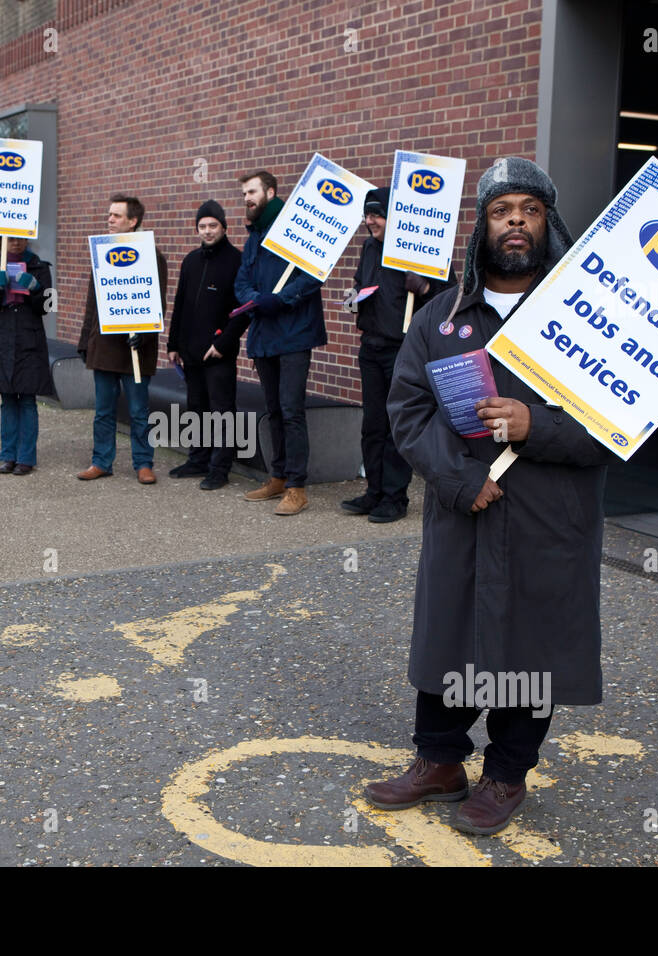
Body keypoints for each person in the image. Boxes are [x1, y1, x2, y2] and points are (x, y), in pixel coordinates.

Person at [367, 157, 610, 836]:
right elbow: (407, 410)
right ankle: (439, 762)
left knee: (530, 648)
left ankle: (506, 775)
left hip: (548, 517)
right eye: (503, 211)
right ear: (482, 227)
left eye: (529, 210)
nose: (516, 223)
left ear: (547, 223)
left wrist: (541, 427)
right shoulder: (442, 318)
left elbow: (618, 430)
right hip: (466, 510)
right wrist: (458, 478)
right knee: (447, 636)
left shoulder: (584, 319)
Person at [341, 187, 449, 523]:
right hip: (370, 345)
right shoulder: (369, 246)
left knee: (394, 424)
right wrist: (352, 295)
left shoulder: (419, 247)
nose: (370, 221)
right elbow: (362, 283)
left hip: (401, 348)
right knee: (372, 423)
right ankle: (374, 491)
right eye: (367, 215)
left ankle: (394, 497)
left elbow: (450, 296)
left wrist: (426, 288)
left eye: (377, 214)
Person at [234, 171, 325, 515]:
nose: (247, 198)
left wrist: (281, 299)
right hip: (264, 335)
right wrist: (254, 298)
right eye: (244, 193)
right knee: (273, 411)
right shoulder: (254, 235)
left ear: (270, 191)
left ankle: (297, 487)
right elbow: (242, 278)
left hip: (293, 334)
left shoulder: (298, 228)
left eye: (252, 191)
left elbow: (312, 274)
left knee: (291, 411)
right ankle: (278, 476)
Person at [76, 193, 165, 485]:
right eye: (109, 214)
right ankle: (101, 461)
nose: (109, 219)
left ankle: (143, 462)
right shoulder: (101, 252)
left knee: (139, 410)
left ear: (133, 220)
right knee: (103, 410)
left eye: (116, 215)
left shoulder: (153, 256)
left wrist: (146, 333)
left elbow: (158, 303)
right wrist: (84, 341)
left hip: (136, 349)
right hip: (104, 346)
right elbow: (92, 301)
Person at [166, 199, 246, 490]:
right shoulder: (191, 261)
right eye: (202, 226)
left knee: (222, 411)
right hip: (190, 350)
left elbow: (243, 309)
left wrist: (223, 343)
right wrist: (173, 344)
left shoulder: (236, 261)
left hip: (218, 352)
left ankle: (220, 468)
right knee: (196, 407)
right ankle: (198, 460)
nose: (208, 231)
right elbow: (180, 305)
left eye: (213, 225)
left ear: (224, 227)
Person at [0, 236, 53, 475]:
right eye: (10, 239)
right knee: (8, 399)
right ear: (1, 241)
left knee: (28, 400)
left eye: (21, 238)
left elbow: (48, 306)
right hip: (4, 339)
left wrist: (36, 288)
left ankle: (26, 458)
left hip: (29, 339)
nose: (16, 243)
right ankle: (8, 455)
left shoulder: (40, 267)